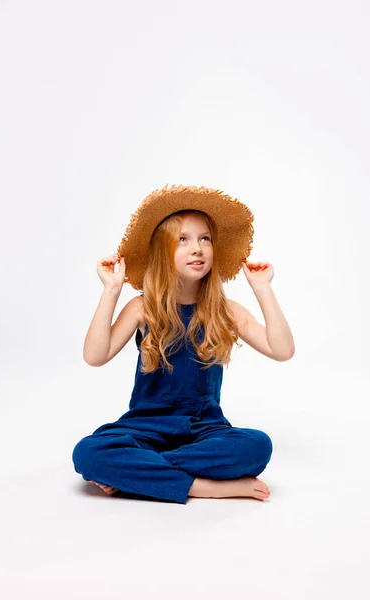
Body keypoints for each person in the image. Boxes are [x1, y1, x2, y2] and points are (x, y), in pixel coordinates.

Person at [72, 184, 295, 504]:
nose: (198, 248)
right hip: (145, 429)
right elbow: (94, 356)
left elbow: (282, 350)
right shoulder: (142, 307)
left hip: (205, 431)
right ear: (163, 252)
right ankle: (202, 486)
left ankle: (138, 477)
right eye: (183, 240)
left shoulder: (226, 311)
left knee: (258, 445)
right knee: (88, 453)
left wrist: (263, 289)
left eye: (205, 239)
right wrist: (111, 290)